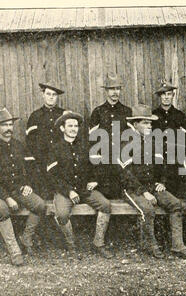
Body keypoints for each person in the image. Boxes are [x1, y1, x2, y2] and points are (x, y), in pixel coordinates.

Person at [117, 104, 186, 260]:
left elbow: (162, 165)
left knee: (175, 204)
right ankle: (150, 244)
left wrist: (162, 181)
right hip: (133, 189)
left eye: (150, 123)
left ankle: (178, 246)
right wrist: (144, 192)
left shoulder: (152, 142)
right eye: (145, 123)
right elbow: (125, 174)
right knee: (148, 210)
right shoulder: (125, 142)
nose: (149, 126)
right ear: (135, 124)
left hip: (152, 186)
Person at [46, 111, 115, 259]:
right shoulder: (55, 148)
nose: (73, 129)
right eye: (69, 126)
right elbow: (52, 176)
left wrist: (95, 180)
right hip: (65, 191)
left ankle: (98, 243)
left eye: (76, 126)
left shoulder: (85, 146)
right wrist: (68, 191)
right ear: (62, 128)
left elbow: (97, 166)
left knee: (105, 205)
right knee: (62, 214)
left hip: (84, 189)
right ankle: (71, 244)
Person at [0, 108, 46, 266]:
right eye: (4, 125)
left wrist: (28, 185)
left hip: (18, 189)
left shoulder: (19, 146)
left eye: (10, 125)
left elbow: (31, 169)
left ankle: (26, 238)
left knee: (40, 205)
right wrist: (7, 198)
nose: (8, 129)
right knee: (3, 210)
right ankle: (15, 251)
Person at [88, 72, 132, 200]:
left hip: (122, 164)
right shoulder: (98, 112)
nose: (115, 92)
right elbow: (93, 142)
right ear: (106, 91)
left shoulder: (127, 111)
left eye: (117, 88)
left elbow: (132, 139)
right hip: (104, 165)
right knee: (107, 199)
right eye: (112, 89)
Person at [26, 82, 65, 199]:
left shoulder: (64, 114)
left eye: (54, 94)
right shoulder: (35, 116)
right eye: (48, 94)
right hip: (42, 165)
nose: (51, 97)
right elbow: (30, 143)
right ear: (43, 95)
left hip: (61, 163)